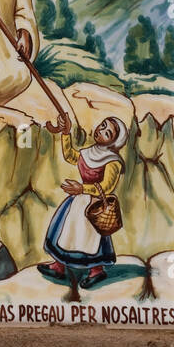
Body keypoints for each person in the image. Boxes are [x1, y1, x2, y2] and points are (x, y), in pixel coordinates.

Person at [39, 109, 127, 286]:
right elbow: (71, 156)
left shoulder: (112, 161)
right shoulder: (90, 152)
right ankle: (59, 265)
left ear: (113, 142)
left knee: (89, 237)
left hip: (95, 207)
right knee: (67, 231)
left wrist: (81, 189)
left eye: (107, 132)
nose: (100, 131)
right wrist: (65, 133)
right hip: (77, 202)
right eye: (102, 126)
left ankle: (96, 270)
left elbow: (107, 187)